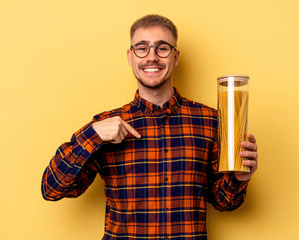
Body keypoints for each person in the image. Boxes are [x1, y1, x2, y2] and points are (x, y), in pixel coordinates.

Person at [41, 14, 258, 240]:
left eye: (162, 48)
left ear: (175, 57)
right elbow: (53, 188)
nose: (151, 57)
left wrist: (239, 178)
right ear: (130, 56)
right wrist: (93, 134)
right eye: (142, 48)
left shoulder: (210, 121)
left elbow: (224, 202)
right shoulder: (105, 125)